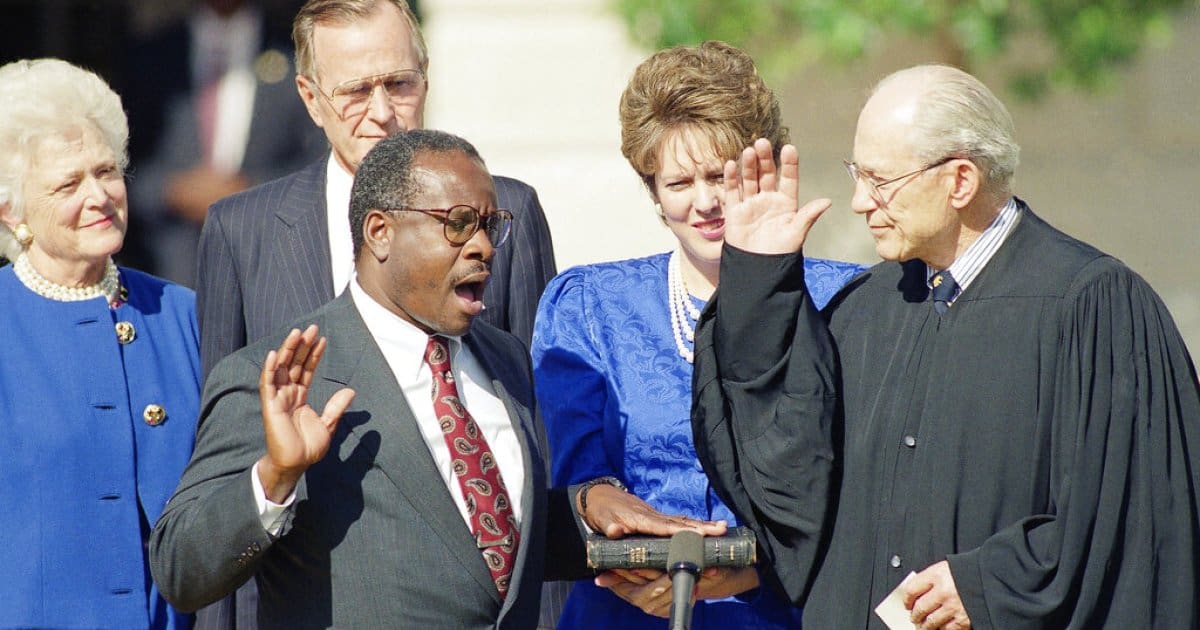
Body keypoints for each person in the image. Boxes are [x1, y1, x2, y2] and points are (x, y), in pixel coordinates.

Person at [692, 64, 1200, 629]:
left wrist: (990, 586)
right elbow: (791, 483)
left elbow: (1137, 520)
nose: (859, 202)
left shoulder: (1091, 306)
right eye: (856, 174)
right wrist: (760, 283)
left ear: (960, 181)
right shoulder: (864, 309)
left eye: (880, 180)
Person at [149, 129, 722, 627]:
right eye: (458, 224)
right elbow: (180, 569)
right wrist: (275, 476)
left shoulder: (505, 360)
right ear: (380, 232)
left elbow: (474, 546)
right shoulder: (280, 378)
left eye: (490, 225)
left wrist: (587, 506)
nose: (483, 247)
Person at [531, 41, 865, 629]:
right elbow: (578, 480)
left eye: (720, 176)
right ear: (653, 193)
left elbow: (864, 490)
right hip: (624, 608)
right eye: (679, 182)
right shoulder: (589, 305)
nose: (705, 202)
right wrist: (628, 552)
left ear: (758, 170)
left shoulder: (845, 300)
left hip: (780, 612)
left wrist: (755, 569)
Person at [196, 0, 556, 382]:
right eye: (357, 91)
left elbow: (540, 395)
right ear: (311, 99)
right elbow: (225, 404)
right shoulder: (240, 230)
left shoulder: (508, 212)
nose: (382, 112)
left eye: (399, 84)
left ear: (426, 80)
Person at [0, 58, 200, 629]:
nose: (100, 195)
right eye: (68, 184)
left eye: (106, 171)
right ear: (11, 211)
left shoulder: (182, 314)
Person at [122, 0, 327, 286]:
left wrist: (248, 191)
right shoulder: (150, 55)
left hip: (269, 267)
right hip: (167, 271)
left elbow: (321, 163)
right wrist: (173, 190)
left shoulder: (296, 52)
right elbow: (121, 164)